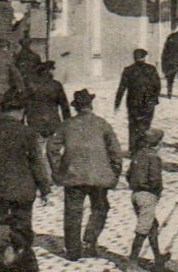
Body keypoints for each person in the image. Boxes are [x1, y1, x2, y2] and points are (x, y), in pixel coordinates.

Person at [47, 90, 122, 261]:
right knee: (100, 208)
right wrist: (114, 173)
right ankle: (90, 239)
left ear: (76, 108)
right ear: (91, 105)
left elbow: (52, 148)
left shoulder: (66, 125)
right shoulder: (102, 124)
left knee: (73, 212)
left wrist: (58, 170)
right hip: (98, 177)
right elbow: (116, 151)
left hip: (73, 176)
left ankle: (73, 251)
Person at [0, 92, 53, 259]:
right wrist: (44, 187)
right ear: (21, 111)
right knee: (22, 224)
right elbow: (36, 162)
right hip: (23, 187)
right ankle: (20, 257)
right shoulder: (27, 132)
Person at [126, 128, 168, 272]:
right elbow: (155, 179)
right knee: (143, 229)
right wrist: (156, 191)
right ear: (158, 143)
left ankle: (158, 257)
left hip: (136, 194)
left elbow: (128, 175)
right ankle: (132, 264)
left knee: (152, 226)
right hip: (147, 195)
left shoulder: (138, 154)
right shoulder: (154, 157)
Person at [24, 62, 70, 139]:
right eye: (53, 69)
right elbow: (65, 107)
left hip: (35, 122)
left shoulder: (30, 85)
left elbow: (25, 105)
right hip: (52, 121)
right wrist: (67, 125)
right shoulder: (56, 85)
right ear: (49, 71)